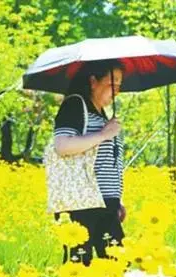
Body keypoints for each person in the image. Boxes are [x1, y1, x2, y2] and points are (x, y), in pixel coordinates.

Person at [53, 59, 126, 266]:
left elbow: (106, 162)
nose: (117, 90)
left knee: (117, 263)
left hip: (105, 202)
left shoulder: (102, 114)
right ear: (93, 81)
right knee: (80, 266)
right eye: (112, 83)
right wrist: (103, 134)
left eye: (120, 84)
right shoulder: (75, 105)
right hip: (82, 201)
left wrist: (116, 199)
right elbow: (62, 146)